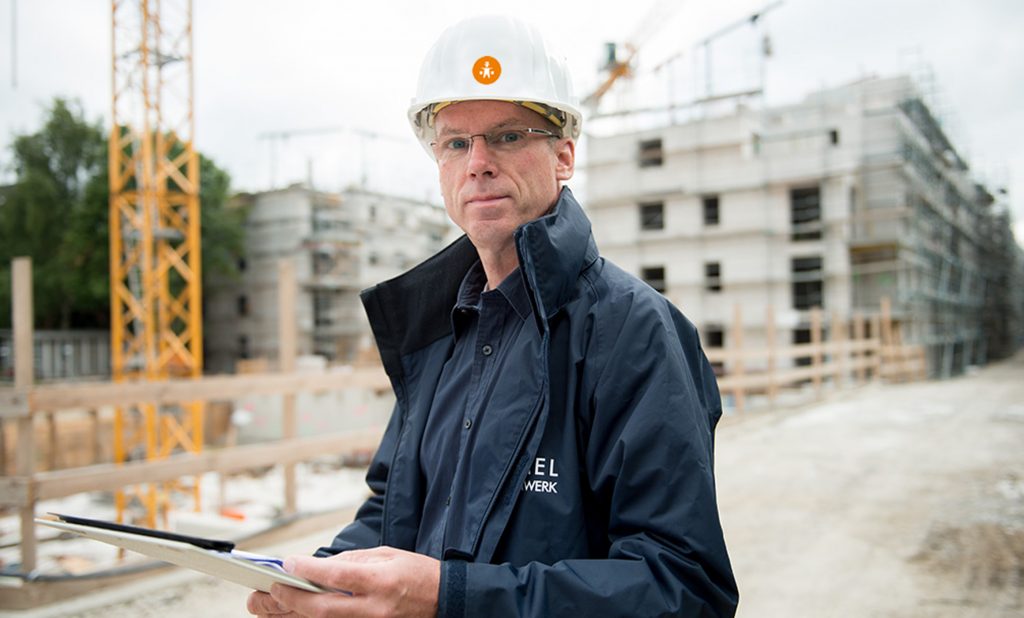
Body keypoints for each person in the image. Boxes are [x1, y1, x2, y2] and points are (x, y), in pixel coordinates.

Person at [248, 14, 738, 618]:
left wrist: (451, 597)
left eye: (506, 136)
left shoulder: (633, 333)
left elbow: (684, 589)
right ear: (440, 165)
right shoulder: (438, 334)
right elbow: (391, 513)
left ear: (563, 155)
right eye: (456, 142)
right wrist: (319, 581)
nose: (477, 161)